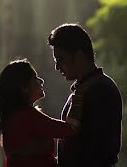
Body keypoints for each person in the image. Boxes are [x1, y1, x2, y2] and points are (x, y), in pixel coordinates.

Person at [48, 23, 122, 167]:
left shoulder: (101, 90)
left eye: (60, 59)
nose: (57, 66)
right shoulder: (84, 90)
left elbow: (98, 148)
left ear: (79, 55)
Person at [0, 59, 84, 167]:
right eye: (35, 78)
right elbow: (70, 130)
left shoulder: (12, 118)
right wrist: (77, 99)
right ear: (24, 88)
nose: (41, 81)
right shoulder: (27, 117)